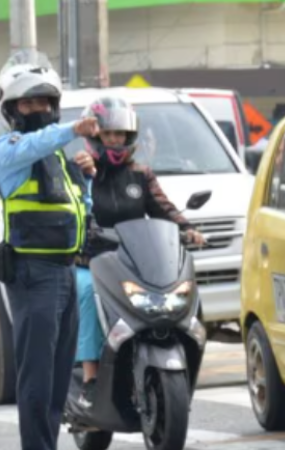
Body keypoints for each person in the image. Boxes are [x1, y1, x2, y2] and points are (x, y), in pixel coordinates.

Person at [65, 96, 205, 413]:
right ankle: (89, 378)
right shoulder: (82, 170)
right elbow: (70, 206)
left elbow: (163, 208)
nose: (114, 140)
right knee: (86, 292)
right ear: (94, 136)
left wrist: (187, 229)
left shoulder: (141, 175)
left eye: (120, 135)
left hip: (132, 261)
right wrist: (80, 176)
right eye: (107, 134)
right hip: (91, 261)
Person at [0, 52, 93, 450]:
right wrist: (73, 129)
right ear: (12, 109)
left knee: (57, 381)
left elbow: (80, 213)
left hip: (66, 273)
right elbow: (38, 141)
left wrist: (86, 181)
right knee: (36, 381)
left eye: (47, 102)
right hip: (34, 275)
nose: (41, 110)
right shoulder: (10, 151)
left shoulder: (56, 159)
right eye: (30, 102)